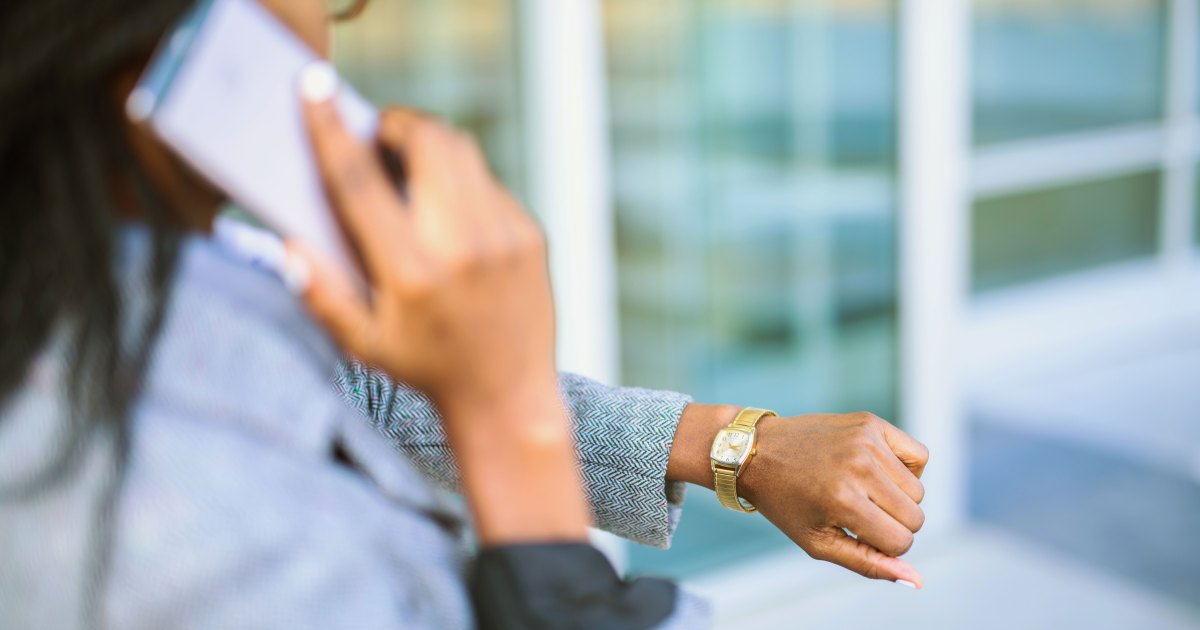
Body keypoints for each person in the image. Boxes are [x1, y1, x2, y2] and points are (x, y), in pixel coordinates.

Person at [0, 0, 929, 628]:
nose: (336, 21)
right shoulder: (152, 520)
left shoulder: (133, 274)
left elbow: (362, 398)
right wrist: (509, 417)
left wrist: (739, 447)